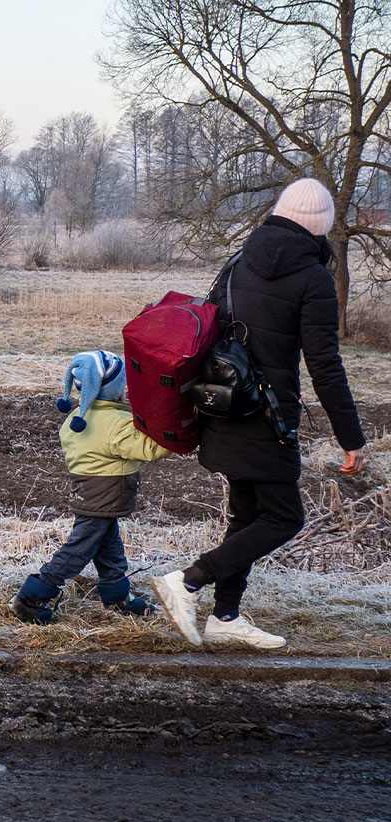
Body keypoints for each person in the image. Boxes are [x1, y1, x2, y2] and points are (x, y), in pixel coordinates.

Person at [151, 179, 368, 649]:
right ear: (321, 226)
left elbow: (204, 333)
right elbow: (325, 365)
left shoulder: (237, 262)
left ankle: (225, 617)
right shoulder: (313, 279)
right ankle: (189, 580)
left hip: (222, 408)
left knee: (247, 517)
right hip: (268, 418)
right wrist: (351, 437)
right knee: (285, 517)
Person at [10, 351, 171, 624]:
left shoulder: (79, 419)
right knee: (79, 549)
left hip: (88, 491)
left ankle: (117, 596)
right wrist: (175, 434)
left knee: (109, 546)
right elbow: (149, 449)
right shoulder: (114, 424)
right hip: (105, 494)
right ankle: (31, 598)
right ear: (115, 389)